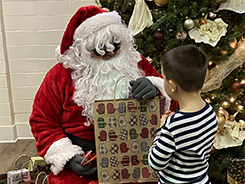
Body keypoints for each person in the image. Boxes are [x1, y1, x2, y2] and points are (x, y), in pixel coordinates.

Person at [29, 5, 178, 184]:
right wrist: (68, 157)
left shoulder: (137, 64)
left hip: (136, 158)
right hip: (84, 163)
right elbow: (42, 122)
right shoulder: (60, 76)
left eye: (116, 46)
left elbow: (175, 104)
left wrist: (157, 90)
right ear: (83, 49)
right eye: (100, 49)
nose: (110, 54)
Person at [148, 45, 218, 184]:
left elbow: (155, 163)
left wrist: (162, 130)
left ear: (173, 86)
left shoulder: (172, 126)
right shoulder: (209, 112)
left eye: (164, 78)